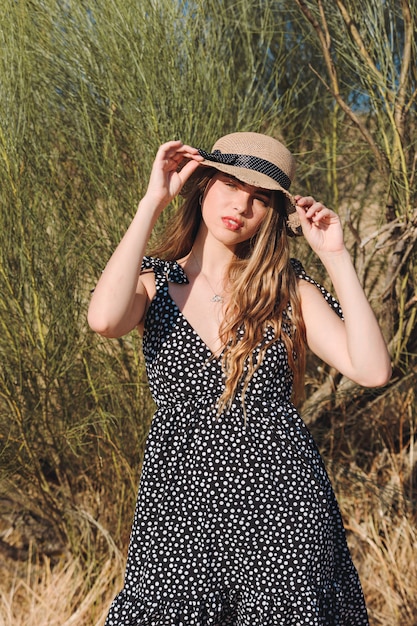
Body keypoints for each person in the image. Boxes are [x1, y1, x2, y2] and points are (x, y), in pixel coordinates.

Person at [88, 132, 391, 625]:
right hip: (178, 504)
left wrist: (335, 256)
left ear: (273, 214)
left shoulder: (288, 289)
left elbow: (372, 369)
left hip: (283, 504)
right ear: (204, 186)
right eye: (230, 184)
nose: (241, 204)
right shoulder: (153, 280)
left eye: (259, 198)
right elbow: (103, 320)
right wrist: (152, 203)